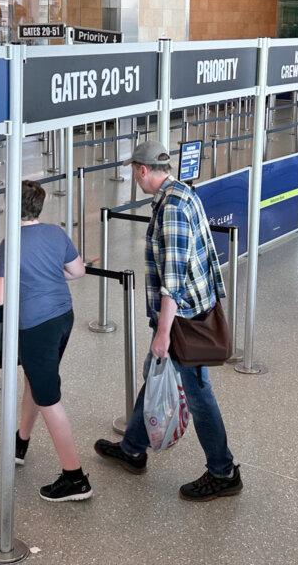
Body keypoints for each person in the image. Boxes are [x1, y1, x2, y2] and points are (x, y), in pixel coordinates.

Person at [94, 141, 241, 501]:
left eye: (133, 171)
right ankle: (132, 447)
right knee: (155, 373)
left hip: (183, 318)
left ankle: (223, 471)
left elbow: (172, 279)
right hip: (193, 308)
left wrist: (162, 332)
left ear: (143, 171)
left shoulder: (172, 208)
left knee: (197, 390)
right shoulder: (182, 193)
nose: (133, 177)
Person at [0, 180, 90, 502]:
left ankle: (74, 477)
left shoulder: (11, 242)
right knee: (34, 381)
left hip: (35, 326)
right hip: (64, 317)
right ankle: (21, 441)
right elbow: (78, 272)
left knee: (48, 397)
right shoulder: (56, 233)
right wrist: (49, 274)